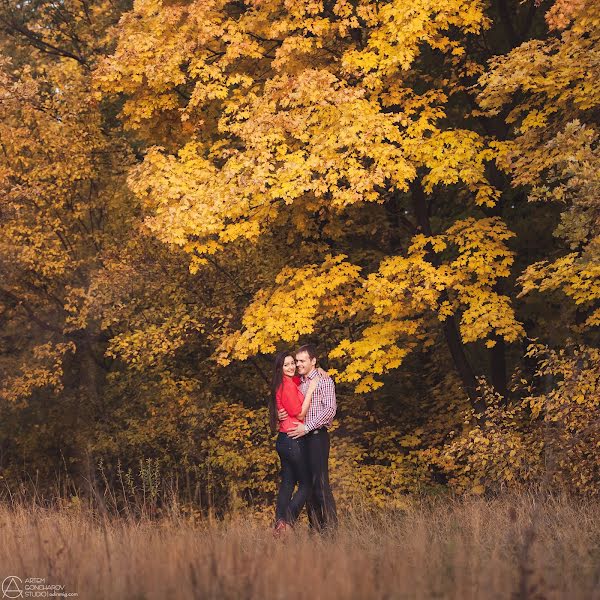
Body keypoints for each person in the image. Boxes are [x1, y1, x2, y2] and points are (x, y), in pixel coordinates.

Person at [281, 344, 338, 533]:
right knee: (308, 486)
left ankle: (330, 533)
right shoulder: (299, 382)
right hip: (301, 439)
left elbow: (330, 411)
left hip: (316, 437)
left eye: (302, 361)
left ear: (313, 361)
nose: (298, 364)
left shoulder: (324, 381)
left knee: (320, 484)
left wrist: (307, 427)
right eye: (296, 361)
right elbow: (284, 399)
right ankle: (315, 530)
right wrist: (279, 415)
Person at [269, 351, 320, 536]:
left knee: (288, 483)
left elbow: (300, 381)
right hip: (293, 440)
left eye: (292, 363)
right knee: (307, 483)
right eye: (286, 365)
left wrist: (320, 371)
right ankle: (287, 521)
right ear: (280, 368)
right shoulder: (287, 385)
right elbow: (299, 413)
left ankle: (278, 525)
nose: (291, 367)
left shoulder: (286, 383)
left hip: (284, 439)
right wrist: (312, 390)